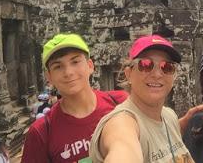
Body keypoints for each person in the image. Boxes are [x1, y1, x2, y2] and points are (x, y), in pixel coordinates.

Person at [21, 33, 128, 163]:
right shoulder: (41, 132)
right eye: (58, 66)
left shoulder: (121, 103)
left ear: (90, 66)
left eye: (75, 62)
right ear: (49, 76)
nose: (68, 72)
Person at [89, 34, 195, 163]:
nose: (157, 74)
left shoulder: (169, 116)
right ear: (129, 74)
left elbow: (157, 134)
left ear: (174, 77)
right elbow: (123, 148)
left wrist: (191, 120)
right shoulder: (121, 123)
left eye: (167, 67)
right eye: (145, 65)